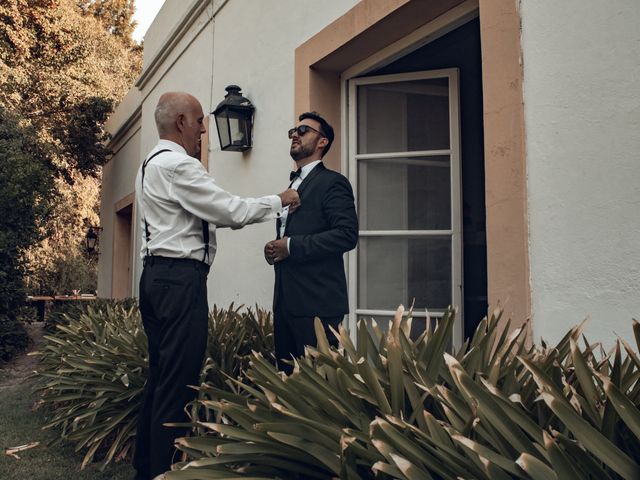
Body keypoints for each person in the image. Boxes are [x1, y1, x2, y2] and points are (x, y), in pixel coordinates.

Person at [133, 91, 299, 480]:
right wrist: (281, 199)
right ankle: (165, 473)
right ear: (180, 123)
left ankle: (146, 468)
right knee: (178, 383)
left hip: (155, 280)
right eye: (199, 121)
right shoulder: (179, 166)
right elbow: (230, 211)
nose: (204, 130)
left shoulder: (148, 164)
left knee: (160, 377)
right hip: (179, 281)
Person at [264, 111, 358, 374]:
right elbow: (294, 234)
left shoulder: (333, 183)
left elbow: (347, 234)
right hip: (285, 304)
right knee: (287, 387)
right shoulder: (292, 185)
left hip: (317, 307)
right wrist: (275, 248)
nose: (295, 134)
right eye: (293, 130)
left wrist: (291, 246)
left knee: (318, 392)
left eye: (303, 130)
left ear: (322, 142)